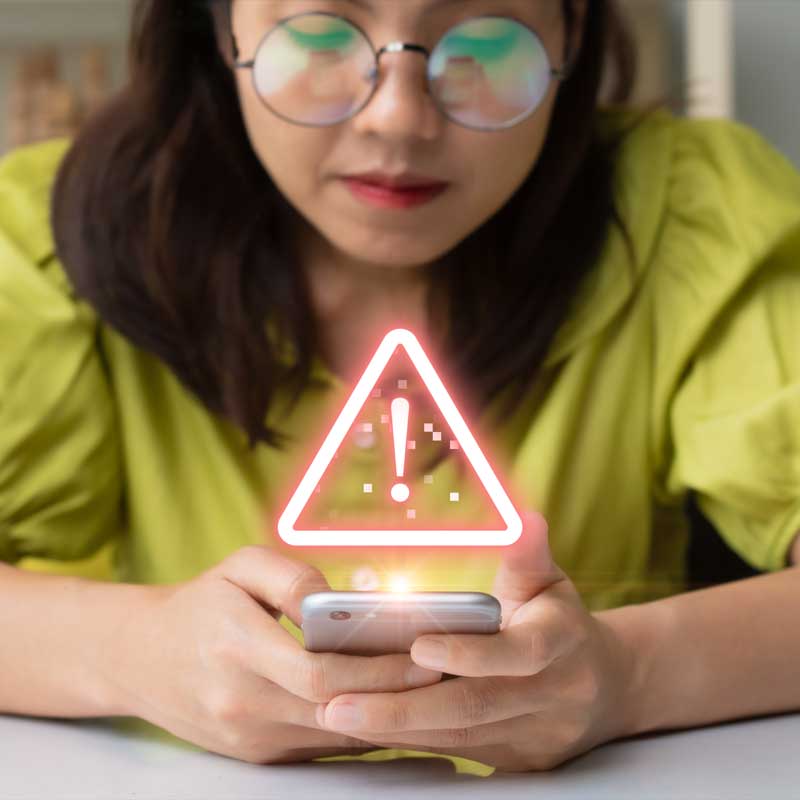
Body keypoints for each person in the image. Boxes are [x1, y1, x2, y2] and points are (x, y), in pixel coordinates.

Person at [0, 0, 798, 778]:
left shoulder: (692, 210)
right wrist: (130, 651)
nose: (399, 119)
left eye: (485, 44)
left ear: (572, 29)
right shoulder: (47, 238)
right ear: (221, 24)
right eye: (320, 37)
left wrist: (629, 673)